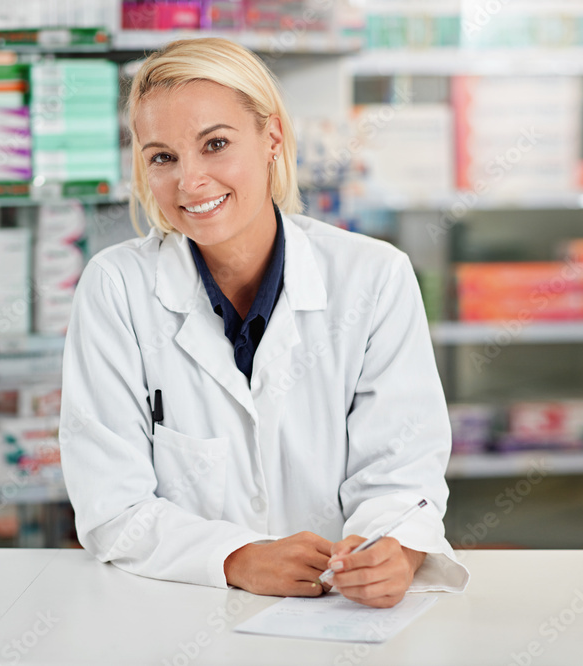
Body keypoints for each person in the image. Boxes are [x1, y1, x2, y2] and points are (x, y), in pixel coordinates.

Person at [58, 37, 469, 609]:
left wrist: (394, 547)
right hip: (177, 615)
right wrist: (237, 556)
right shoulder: (116, 288)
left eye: (216, 144)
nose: (190, 181)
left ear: (271, 137)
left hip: (340, 614)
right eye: (162, 157)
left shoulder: (374, 277)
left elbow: (402, 467)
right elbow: (110, 506)